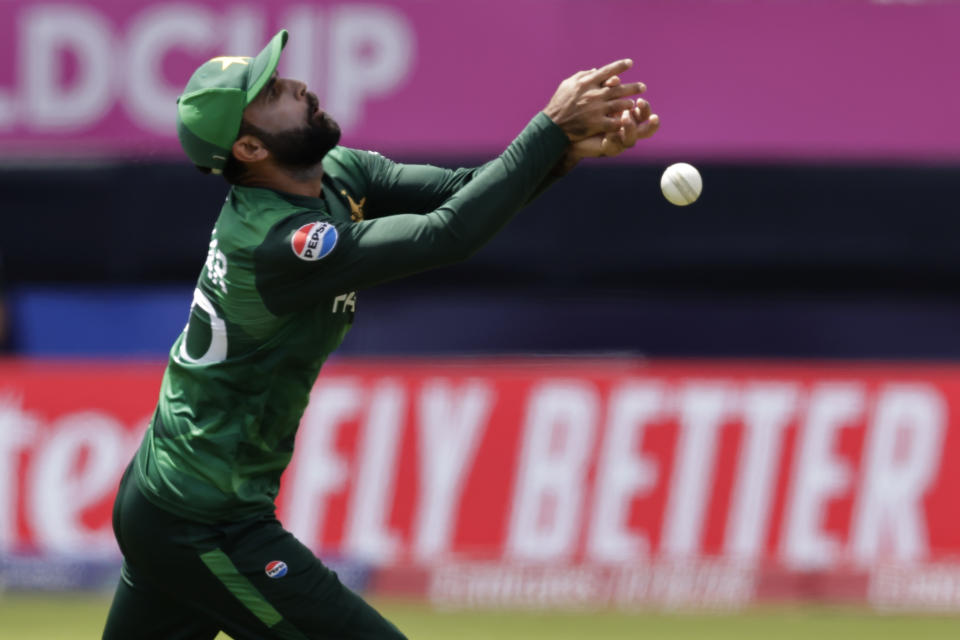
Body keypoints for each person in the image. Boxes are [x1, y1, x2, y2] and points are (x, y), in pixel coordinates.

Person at [102, 29, 659, 640]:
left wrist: (564, 153)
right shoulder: (275, 243)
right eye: (271, 92)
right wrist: (549, 126)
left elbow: (462, 196)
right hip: (201, 520)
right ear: (250, 146)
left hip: (167, 501)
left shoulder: (337, 173)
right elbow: (447, 235)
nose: (297, 85)